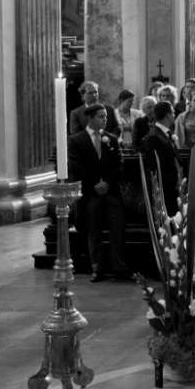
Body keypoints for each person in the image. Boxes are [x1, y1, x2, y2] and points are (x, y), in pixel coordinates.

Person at [68, 104, 129, 282]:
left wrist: (107, 183)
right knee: (93, 228)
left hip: (110, 192)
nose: (105, 119)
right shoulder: (76, 140)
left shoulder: (110, 138)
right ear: (90, 118)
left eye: (105, 116)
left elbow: (118, 164)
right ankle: (97, 267)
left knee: (117, 226)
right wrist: (94, 184)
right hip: (90, 193)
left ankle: (119, 266)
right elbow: (76, 167)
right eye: (101, 116)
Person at [142, 101, 180, 217]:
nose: (174, 115)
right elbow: (156, 166)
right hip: (164, 190)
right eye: (173, 112)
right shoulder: (154, 137)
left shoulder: (165, 134)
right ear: (168, 115)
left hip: (171, 188)